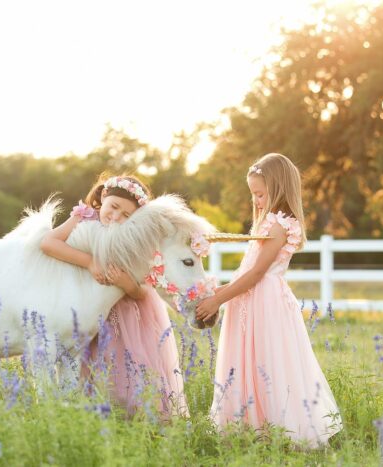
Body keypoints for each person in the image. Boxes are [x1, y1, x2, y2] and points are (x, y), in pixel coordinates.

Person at [195, 153, 342, 446]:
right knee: (245, 359)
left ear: (278, 188)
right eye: (254, 194)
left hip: (264, 302)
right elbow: (248, 272)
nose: (257, 201)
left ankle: (276, 428)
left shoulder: (279, 225)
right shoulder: (265, 223)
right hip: (249, 299)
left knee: (266, 359)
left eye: (260, 194)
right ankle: (248, 425)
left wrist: (218, 299)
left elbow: (258, 273)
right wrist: (218, 291)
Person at [40, 174, 188, 418]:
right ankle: (96, 421)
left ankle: (138, 423)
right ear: (103, 198)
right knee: (91, 372)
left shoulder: (135, 239)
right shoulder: (83, 217)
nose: (117, 217)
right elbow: (49, 243)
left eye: (127, 215)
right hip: (89, 313)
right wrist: (90, 262)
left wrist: (126, 283)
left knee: (129, 374)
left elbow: (144, 291)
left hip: (125, 317)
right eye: (114, 207)